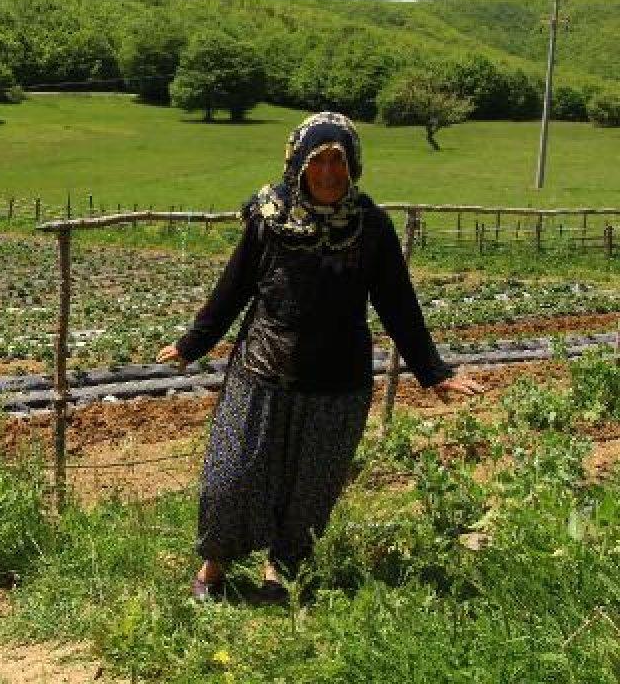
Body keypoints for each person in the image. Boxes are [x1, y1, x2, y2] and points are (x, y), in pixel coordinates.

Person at [157, 112, 484, 601]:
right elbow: (234, 288)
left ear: (353, 165)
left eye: (339, 161)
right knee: (234, 474)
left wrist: (434, 374)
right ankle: (212, 571)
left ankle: (279, 575)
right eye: (319, 162)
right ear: (298, 165)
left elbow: (398, 305)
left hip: (338, 384)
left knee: (310, 489)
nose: (329, 174)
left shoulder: (369, 227)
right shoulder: (269, 218)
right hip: (263, 370)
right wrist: (192, 345)